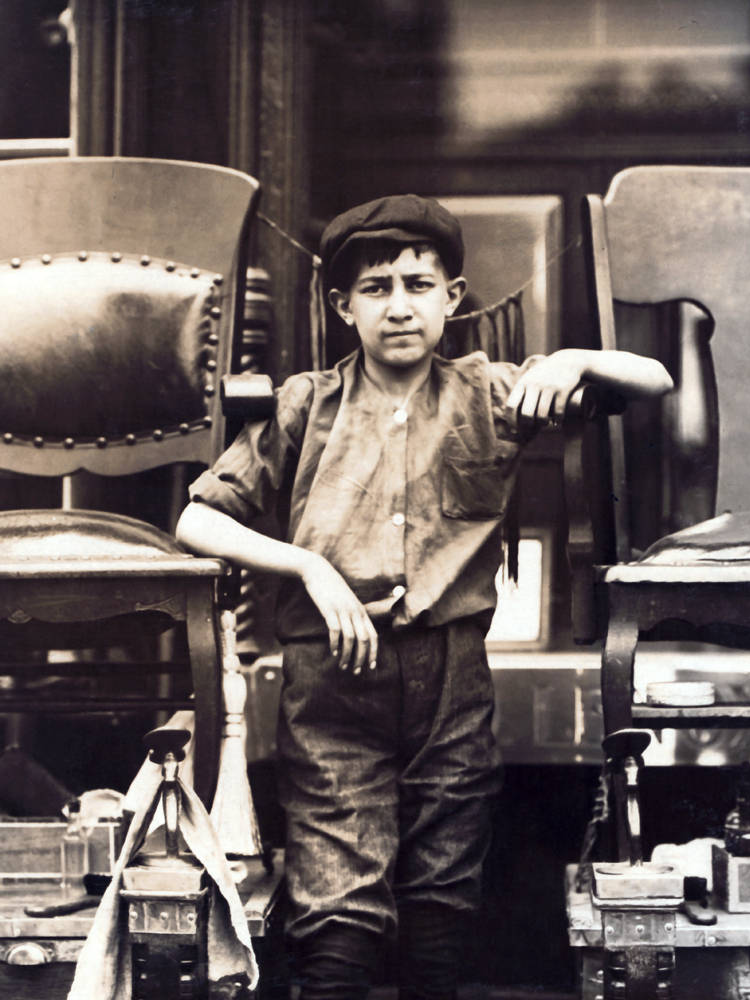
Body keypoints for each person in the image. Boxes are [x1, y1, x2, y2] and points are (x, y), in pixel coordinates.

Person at [176, 194, 673, 999]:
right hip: (329, 678)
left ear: (453, 296)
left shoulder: (491, 393)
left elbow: (654, 378)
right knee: (337, 908)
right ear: (343, 307)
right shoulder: (305, 404)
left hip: (451, 677)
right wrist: (308, 569)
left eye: (417, 284)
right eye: (375, 289)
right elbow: (198, 516)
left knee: (443, 894)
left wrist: (573, 360)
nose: (399, 305)